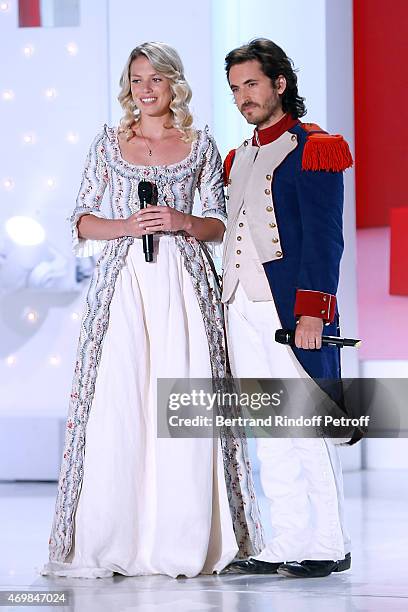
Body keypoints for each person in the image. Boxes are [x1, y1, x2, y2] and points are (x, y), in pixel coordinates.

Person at [41, 41, 262, 579]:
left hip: (185, 287)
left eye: (155, 79)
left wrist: (180, 220)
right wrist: (125, 227)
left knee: (185, 401)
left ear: (174, 85)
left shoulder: (201, 145)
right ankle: (115, 536)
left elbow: (220, 224)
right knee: (122, 401)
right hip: (124, 288)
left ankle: (184, 538)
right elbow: (79, 220)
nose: (145, 89)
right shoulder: (109, 143)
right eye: (137, 79)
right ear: (128, 86)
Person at [221, 38, 353, 578]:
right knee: (268, 429)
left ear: (280, 84)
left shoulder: (315, 148)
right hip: (241, 308)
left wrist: (313, 312)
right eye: (234, 89)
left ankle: (328, 542)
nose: (243, 97)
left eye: (251, 84)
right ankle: (286, 539)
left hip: (288, 311)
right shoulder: (240, 155)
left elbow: (325, 239)